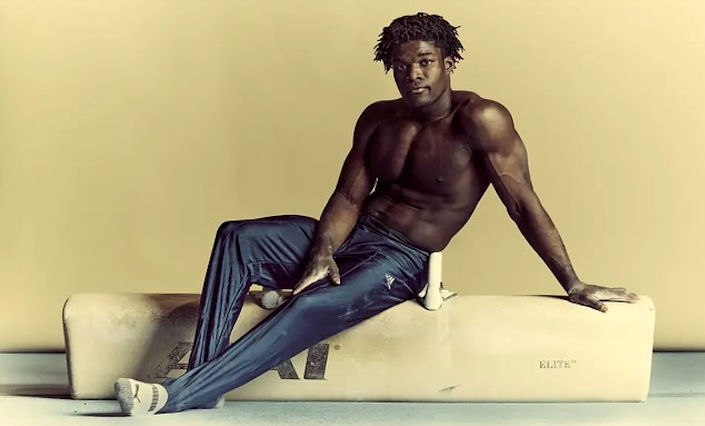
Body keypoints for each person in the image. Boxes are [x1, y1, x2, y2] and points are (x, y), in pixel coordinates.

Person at [113, 12, 639, 415]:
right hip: (353, 237)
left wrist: (572, 282)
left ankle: (175, 396)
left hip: (403, 259)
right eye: (402, 66)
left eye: (425, 62)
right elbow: (348, 198)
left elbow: (522, 203)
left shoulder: (481, 120)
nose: (414, 75)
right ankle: (205, 380)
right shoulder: (378, 119)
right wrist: (323, 251)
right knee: (237, 237)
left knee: (308, 307)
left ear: (449, 61)